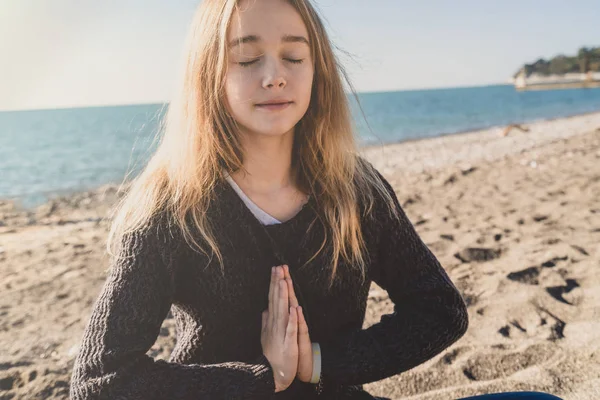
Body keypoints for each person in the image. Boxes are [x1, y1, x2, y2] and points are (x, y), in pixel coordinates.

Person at [69, 0, 561, 399]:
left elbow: (440, 311)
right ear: (208, 76)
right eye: (246, 58)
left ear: (316, 70)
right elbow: (98, 378)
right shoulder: (171, 208)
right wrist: (265, 380)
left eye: (293, 56)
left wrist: (318, 363)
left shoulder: (355, 190)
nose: (274, 75)